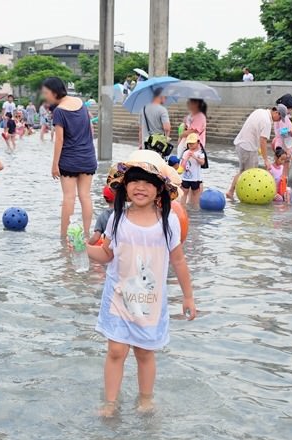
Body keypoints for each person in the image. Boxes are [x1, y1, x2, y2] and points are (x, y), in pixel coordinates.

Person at [86, 150, 195, 417]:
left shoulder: (168, 221)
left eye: (148, 182)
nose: (140, 187)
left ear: (160, 189)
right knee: (115, 350)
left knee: (145, 352)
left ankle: (145, 399)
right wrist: (83, 248)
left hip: (150, 300)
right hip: (119, 296)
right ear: (124, 186)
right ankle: (110, 403)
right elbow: (107, 254)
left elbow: (178, 261)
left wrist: (188, 297)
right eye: (134, 180)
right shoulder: (117, 218)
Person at [42, 77, 98, 239]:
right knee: (85, 196)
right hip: (87, 157)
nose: (45, 96)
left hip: (69, 159)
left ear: (54, 92)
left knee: (69, 197)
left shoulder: (59, 111)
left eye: (46, 93)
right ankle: (87, 234)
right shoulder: (80, 102)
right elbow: (90, 128)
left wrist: (54, 165)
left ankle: (64, 236)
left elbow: (59, 140)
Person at [226, 105, 285, 200]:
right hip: (248, 148)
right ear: (276, 113)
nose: (279, 121)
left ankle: (231, 191)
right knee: (251, 175)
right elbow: (263, 141)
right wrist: (266, 160)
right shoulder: (267, 122)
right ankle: (247, 197)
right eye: (280, 118)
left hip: (241, 144)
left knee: (242, 171)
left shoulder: (260, 111)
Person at [139, 88, 171, 152]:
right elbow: (167, 128)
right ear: (161, 96)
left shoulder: (143, 109)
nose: (166, 99)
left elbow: (140, 129)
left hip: (145, 145)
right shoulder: (162, 110)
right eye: (165, 97)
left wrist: (140, 144)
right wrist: (166, 141)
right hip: (158, 146)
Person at [178, 133, 206, 208]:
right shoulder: (185, 152)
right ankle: (182, 207)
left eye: (192, 143)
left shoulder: (200, 153)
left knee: (195, 193)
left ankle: (195, 208)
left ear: (198, 143)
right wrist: (186, 157)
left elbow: (202, 162)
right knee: (184, 192)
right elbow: (182, 166)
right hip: (185, 177)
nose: (190, 145)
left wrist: (195, 157)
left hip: (195, 178)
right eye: (189, 143)